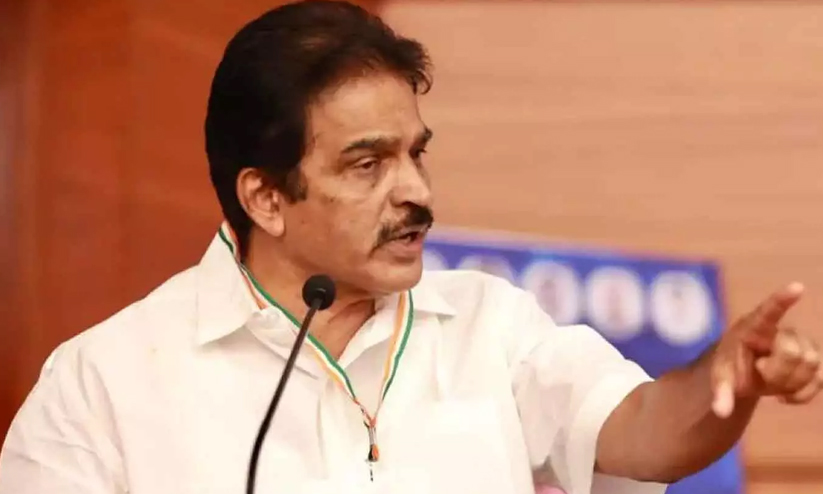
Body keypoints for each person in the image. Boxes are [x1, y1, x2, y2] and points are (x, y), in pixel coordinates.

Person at [1, 2, 821, 493]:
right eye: (366, 165)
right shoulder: (104, 385)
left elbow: (642, 432)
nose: (417, 193)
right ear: (265, 198)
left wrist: (726, 380)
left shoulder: (488, 324)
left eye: (415, 154)